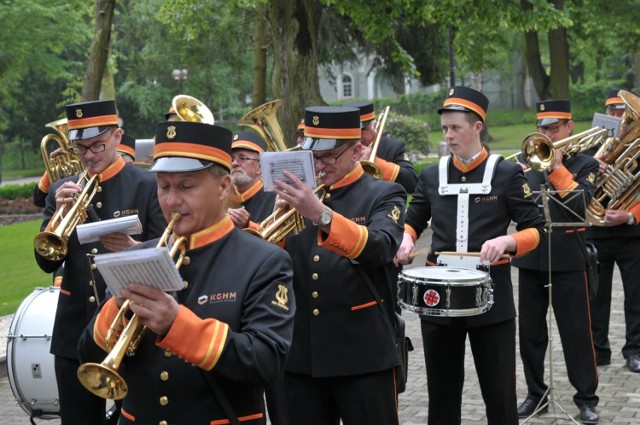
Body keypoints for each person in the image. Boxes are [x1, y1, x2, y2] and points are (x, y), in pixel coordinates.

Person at [80, 120, 295, 424]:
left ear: (223, 187)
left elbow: (266, 363)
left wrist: (176, 324)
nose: (171, 201)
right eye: (163, 186)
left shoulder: (264, 260)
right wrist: (119, 307)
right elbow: (86, 351)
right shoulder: (136, 254)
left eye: (186, 186)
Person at [394, 86, 546, 425]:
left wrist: (507, 243)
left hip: (491, 297)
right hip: (438, 299)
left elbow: (536, 229)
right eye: (444, 128)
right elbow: (413, 221)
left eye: (456, 128)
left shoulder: (507, 173)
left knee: (500, 394)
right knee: (442, 394)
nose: (448, 135)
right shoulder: (432, 174)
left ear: (477, 126)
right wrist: (405, 242)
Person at [34, 99, 166, 425]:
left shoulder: (146, 185)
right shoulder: (63, 190)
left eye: (97, 145)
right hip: (74, 329)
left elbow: (171, 250)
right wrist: (59, 217)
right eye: (80, 148)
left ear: (118, 136)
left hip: (133, 326)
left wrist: (134, 247)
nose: (88, 155)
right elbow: (45, 262)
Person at [273, 106, 406, 424]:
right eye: (312, 158)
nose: (319, 166)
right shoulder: (295, 200)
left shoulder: (384, 194)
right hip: (302, 357)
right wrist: (275, 222)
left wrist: (321, 214)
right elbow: (272, 266)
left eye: (328, 156)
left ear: (358, 149)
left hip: (363, 355)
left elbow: (380, 247)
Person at [512, 99, 600, 423]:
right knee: (531, 335)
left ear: (568, 127)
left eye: (553, 127)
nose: (546, 133)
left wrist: (556, 168)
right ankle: (536, 394)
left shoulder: (586, 164)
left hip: (569, 260)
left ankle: (587, 399)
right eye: (542, 128)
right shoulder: (526, 162)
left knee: (577, 334)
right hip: (531, 259)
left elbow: (582, 202)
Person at [587, 90, 640, 372]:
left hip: (633, 233)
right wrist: (593, 169)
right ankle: (598, 350)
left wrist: (630, 215)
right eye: (615, 113)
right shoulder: (591, 148)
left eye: (624, 113)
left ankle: (635, 350)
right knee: (596, 296)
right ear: (606, 114)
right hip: (597, 231)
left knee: (636, 296)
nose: (620, 118)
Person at [346, 100, 419, 194]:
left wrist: (376, 162)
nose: (357, 137)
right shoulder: (340, 150)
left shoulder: (392, 147)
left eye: (362, 130)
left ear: (375, 127)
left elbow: (412, 183)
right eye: (351, 132)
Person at [227, 131, 276, 230]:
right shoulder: (222, 197)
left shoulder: (275, 197)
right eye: (231, 159)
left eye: (243, 158)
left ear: (260, 167)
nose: (234, 163)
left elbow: (280, 242)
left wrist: (248, 226)